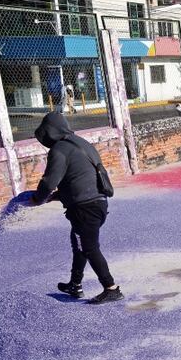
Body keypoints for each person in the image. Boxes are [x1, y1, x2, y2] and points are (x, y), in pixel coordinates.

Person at [30, 112, 123, 303]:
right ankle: (75, 284)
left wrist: (37, 199)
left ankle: (111, 288)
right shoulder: (81, 143)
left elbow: (49, 182)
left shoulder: (60, 149)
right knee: (79, 244)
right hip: (98, 203)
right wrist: (58, 196)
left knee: (88, 247)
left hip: (85, 208)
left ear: (49, 132)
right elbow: (79, 176)